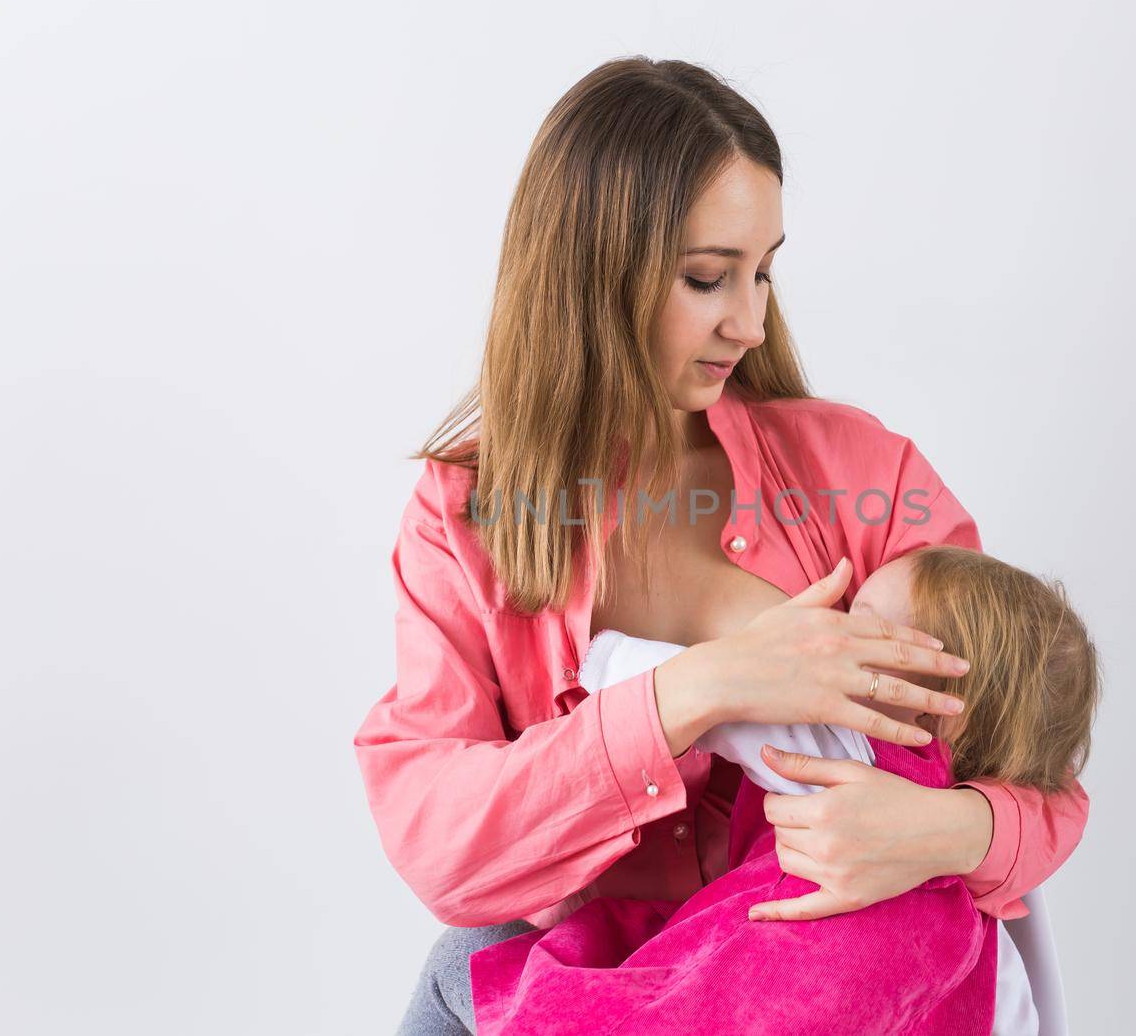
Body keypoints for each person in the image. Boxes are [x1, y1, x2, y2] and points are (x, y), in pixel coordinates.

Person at [351, 55, 1090, 1035]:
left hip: (819, 980)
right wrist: (698, 691)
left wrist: (948, 827)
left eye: (764, 269)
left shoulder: (862, 475)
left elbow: (1034, 759)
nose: (749, 319)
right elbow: (439, 842)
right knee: (468, 963)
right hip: (611, 978)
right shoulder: (468, 516)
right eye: (708, 277)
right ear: (591, 272)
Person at [466, 545, 1102, 1034]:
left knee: (470, 970)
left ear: (930, 703)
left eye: (860, 625)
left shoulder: (846, 736)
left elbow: (737, 705)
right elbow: (1024, 1014)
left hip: (745, 984)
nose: (831, 628)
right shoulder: (978, 930)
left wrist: (608, 663)